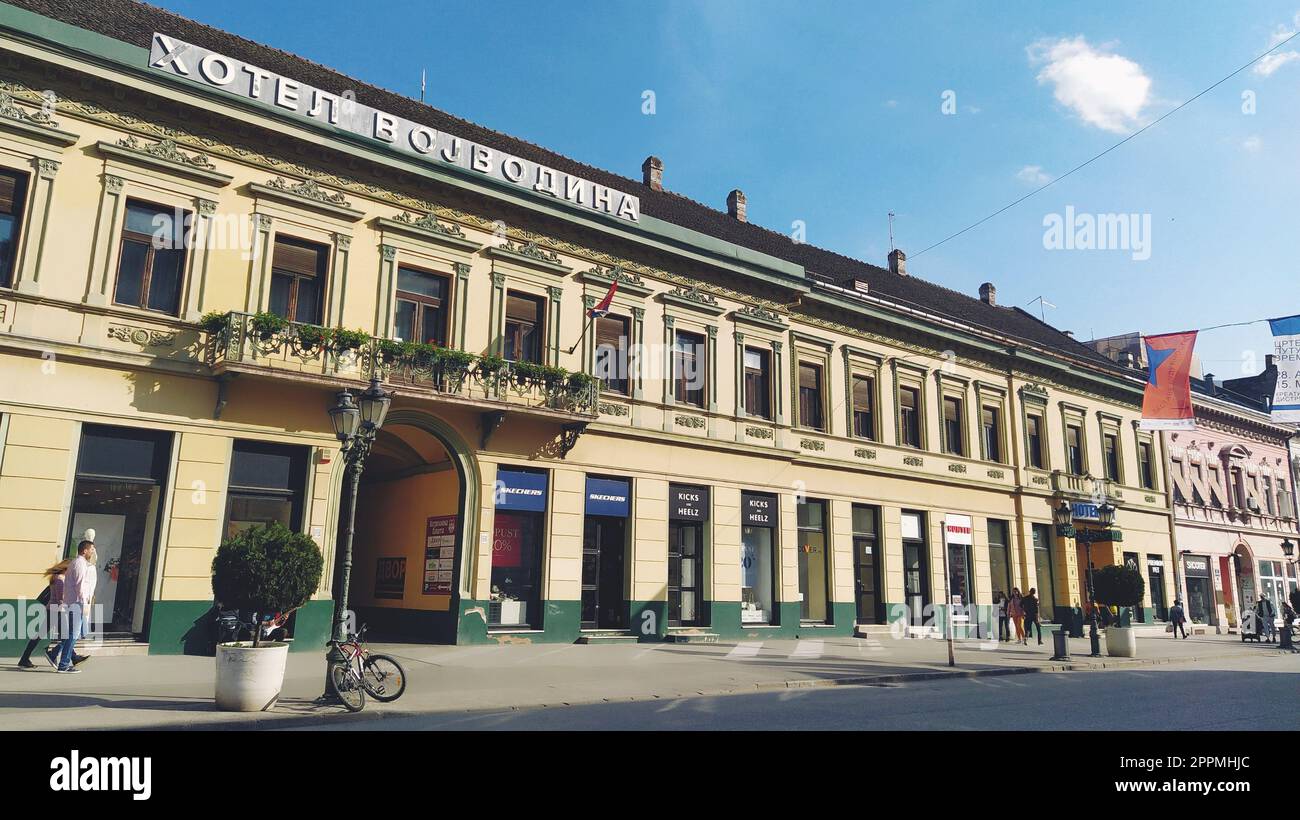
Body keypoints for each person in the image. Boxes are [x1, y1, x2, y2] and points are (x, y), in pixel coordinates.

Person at [17, 559, 85, 669]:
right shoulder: (60, 580)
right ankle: (28, 658)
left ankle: (72, 657)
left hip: (54, 610)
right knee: (62, 636)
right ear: (66, 568)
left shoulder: (59, 579)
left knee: (61, 636)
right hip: (56, 611)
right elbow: (60, 599)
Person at [56, 539, 97, 673]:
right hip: (77, 603)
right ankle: (63, 664)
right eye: (91, 549)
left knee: (72, 634)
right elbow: (80, 586)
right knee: (73, 634)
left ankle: (61, 660)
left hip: (73, 602)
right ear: (84, 550)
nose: (92, 552)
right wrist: (84, 603)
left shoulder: (76, 563)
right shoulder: (80, 564)